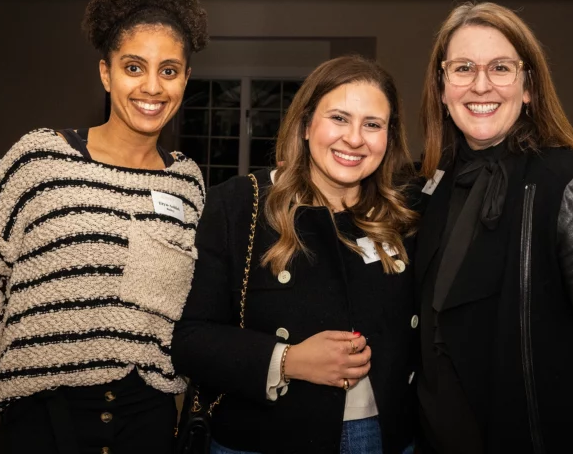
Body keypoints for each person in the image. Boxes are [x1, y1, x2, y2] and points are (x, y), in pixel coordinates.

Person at [0, 0, 208, 454]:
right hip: (43, 413)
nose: (152, 86)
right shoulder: (39, 158)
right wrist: (34, 353)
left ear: (186, 78)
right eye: (134, 67)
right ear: (106, 73)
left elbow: (183, 309)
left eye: (169, 70)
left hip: (145, 417)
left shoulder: (187, 182)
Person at [414, 1, 573, 454]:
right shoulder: (434, 187)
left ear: (528, 87)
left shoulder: (569, 189)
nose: (481, 85)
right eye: (463, 68)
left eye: (501, 68)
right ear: (442, 87)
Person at [172, 55, 420, 454]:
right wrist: (287, 360)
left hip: (385, 436)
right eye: (339, 118)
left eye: (372, 125)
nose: (355, 138)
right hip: (263, 438)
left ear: (389, 137)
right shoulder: (238, 206)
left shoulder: (406, 214)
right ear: (306, 125)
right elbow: (190, 339)